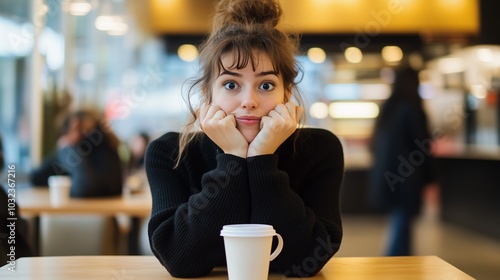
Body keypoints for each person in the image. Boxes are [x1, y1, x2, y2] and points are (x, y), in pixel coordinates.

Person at [145, 0, 344, 277]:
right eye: (230, 84)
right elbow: (180, 259)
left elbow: (307, 260)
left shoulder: (319, 149)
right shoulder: (168, 152)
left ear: (286, 94)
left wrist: (262, 157)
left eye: (266, 85)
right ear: (207, 94)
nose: (249, 101)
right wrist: (233, 158)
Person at [367, 66, 435, 256]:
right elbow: (422, 145)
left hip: (389, 175)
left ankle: (395, 261)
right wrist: (430, 175)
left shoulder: (389, 108)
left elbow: (373, 146)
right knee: (403, 223)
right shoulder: (412, 108)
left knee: (399, 221)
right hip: (407, 177)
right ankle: (396, 265)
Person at [30, 109, 123, 197]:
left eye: (76, 129)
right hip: (96, 209)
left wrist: (67, 150)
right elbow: (37, 178)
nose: (75, 134)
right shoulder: (96, 146)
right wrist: (63, 149)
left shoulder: (98, 148)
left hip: (94, 210)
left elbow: (84, 189)